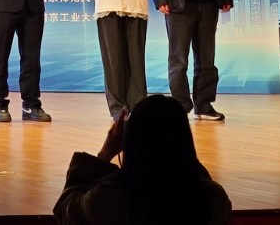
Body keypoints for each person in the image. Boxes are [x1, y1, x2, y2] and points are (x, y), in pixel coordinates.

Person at [53, 93, 232, 225]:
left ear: (131, 141)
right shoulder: (213, 201)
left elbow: (67, 210)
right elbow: (196, 176)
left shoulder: (106, 200)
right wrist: (180, 150)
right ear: (185, 139)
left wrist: (106, 152)